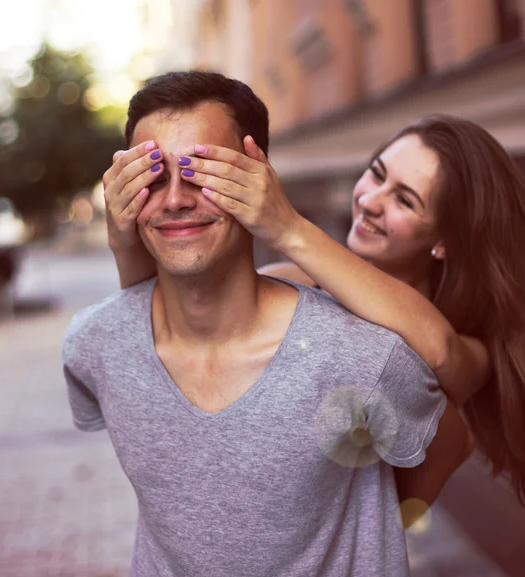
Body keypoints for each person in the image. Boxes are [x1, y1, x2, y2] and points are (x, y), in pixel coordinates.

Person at [63, 71, 471, 577]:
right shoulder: (94, 345)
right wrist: (125, 241)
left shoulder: (365, 355)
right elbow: (143, 327)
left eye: (204, 171)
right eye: (151, 175)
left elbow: (448, 400)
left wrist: (377, 529)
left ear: (260, 182)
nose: (176, 198)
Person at [110, 95, 525, 507]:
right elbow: (156, 330)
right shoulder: (288, 284)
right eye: (377, 174)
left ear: (443, 241)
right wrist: (123, 239)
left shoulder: (468, 350)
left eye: (404, 200)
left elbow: (438, 351)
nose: (370, 201)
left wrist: (288, 226)